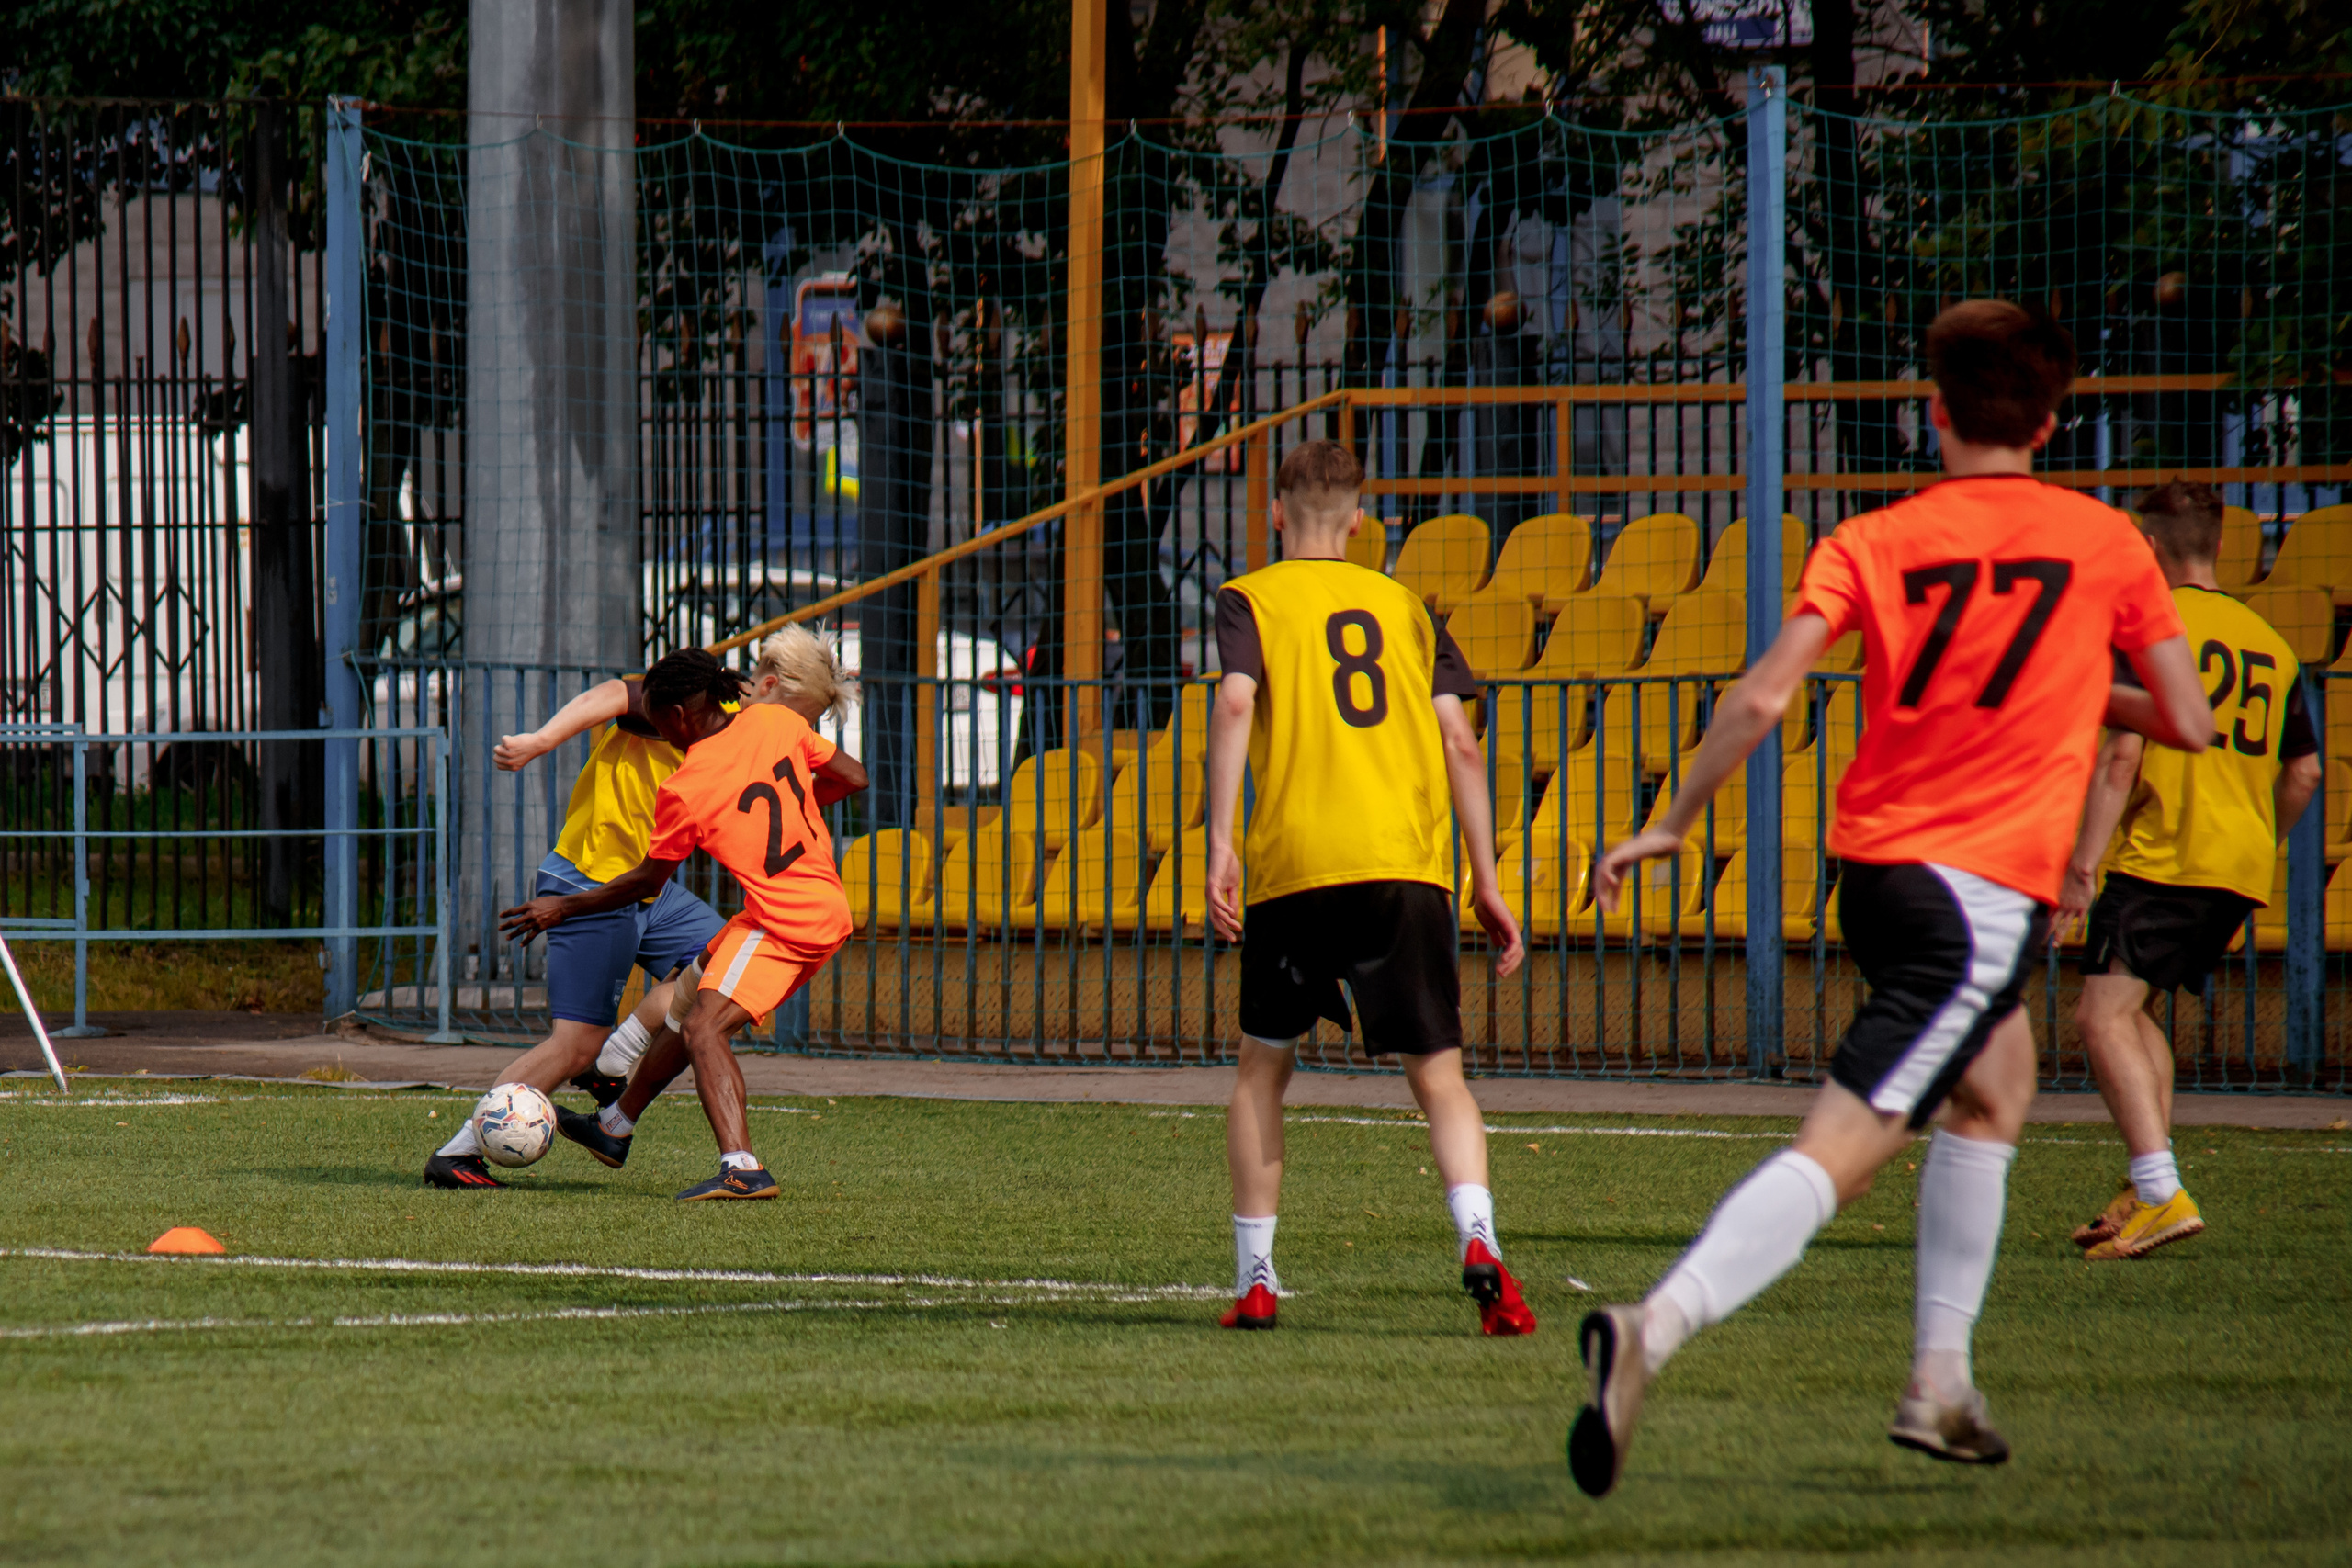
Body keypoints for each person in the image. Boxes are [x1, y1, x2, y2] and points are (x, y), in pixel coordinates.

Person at [1570, 300, 2214, 1496]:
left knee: (1997, 1084)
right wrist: (2079, 691)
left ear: (1935, 415)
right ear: (2051, 420)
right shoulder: (2106, 543)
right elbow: (2186, 716)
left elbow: (1763, 697)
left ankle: (1940, 1376)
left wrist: (1672, 818)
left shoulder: (1874, 537)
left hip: (1878, 872)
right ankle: (1653, 1325)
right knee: (1847, 1146)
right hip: (1980, 892)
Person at [1204, 438, 1535, 1337]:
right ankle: (1479, 1244)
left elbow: (1235, 702)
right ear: (1359, 521)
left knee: (1262, 1071)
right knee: (1439, 1077)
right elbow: (1461, 743)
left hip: (1295, 864)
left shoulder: (1252, 597)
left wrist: (1220, 842)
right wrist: (1486, 878)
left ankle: (1258, 1278)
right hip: (1405, 865)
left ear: (1275, 515)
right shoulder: (1407, 607)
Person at [2056, 481, 2322, 1261]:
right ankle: (2145, 1188)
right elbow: (2304, 772)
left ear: (2148, 547)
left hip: (2164, 855)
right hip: (2239, 861)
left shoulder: (2150, 628)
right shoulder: (2270, 643)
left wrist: (2081, 864)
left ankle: (2161, 1187)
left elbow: (2122, 754)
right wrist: (2255, 837)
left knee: (2097, 1017)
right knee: (2132, 1013)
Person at [500, 647, 866, 1200]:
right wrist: (799, 808)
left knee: (703, 1028)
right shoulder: (775, 721)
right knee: (689, 995)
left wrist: (563, 907)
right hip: (810, 903)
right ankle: (613, 1126)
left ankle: (742, 1167)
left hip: (786, 920)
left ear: (675, 718)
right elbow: (854, 777)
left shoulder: (686, 788)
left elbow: (647, 883)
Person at [421, 660, 732, 1190]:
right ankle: (457, 1152)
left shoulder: (746, 731)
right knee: (573, 1046)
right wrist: (539, 742)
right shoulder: (676, 712)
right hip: (590, 882)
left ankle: (614, 1059)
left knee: (723, 961)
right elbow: (613, 693)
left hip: (645, 888)